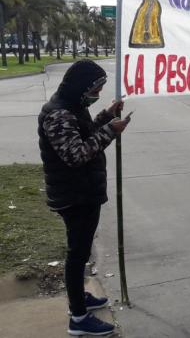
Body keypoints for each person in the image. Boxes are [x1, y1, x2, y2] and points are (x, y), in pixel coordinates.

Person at [38, 60, 131, 336]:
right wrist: (110, 132)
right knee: (77, 255)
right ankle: (78, 319)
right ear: (81, 87)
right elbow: (76, 154)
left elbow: (84, 130)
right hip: (75, 196)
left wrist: (105, 115)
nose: (98, 94)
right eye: (96, 90)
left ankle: (78, 297)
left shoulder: (71, 107)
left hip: (82, 192)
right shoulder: (58, 114)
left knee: (80, 251)